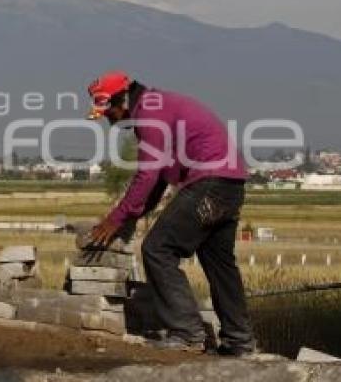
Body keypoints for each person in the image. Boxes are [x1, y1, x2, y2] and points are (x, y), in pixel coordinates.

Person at [86, 70, 256, 356]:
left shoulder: (150, 114)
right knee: (218, 263)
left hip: (210, 183)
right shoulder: (157, 107)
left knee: (157, 248)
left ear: (123, 100)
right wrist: (129, 217)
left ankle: (187, 333)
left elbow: (147, 175)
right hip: (230, 185)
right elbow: (159, 181)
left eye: (109, 110)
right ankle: (239, 341)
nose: (109, 119)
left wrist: (115, 218)